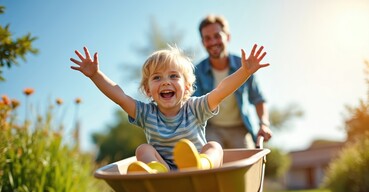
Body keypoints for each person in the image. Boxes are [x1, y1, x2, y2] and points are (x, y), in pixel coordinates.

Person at [70, 44, 269, 173]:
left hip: (200, 172)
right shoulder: (147, 114)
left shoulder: (195, 107)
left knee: (214, 147)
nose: (165, 82)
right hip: (166, 174)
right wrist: (95, 75)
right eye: (157, 78)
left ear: (188, 88)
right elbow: (120, 97)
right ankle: (157, 172)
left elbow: (222, 90)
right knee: (143, 149)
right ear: (148, 90)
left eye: (173, 76)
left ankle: (201, 164)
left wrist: (244, 71)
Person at [194, 14, 272, 149]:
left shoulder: (244, 66)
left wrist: (264, 124)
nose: (213, 42)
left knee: (247, 161)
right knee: (211, 158)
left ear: (228, 37)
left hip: (240, 129)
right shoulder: (197, 72)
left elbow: (258, 99)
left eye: (217, 36)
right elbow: (192, 106)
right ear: (203, 42)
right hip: (212, 129)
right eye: (207, 38)